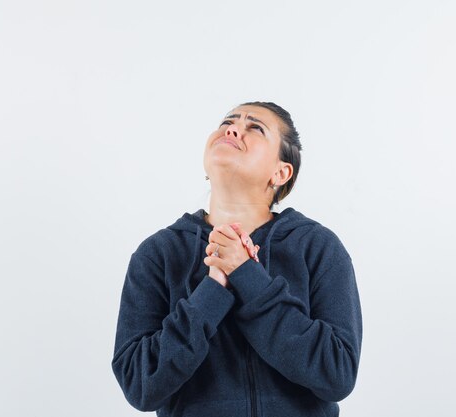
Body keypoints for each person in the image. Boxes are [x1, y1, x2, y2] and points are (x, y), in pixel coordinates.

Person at [111, 101, 363, 416]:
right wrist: (213, 289)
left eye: (254, 127)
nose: (232, 129)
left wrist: (247, 275)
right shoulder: (159, 254)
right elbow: (140, 385)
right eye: (228, 122)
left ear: (281, 172)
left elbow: (337, 374)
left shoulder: (318, 247)